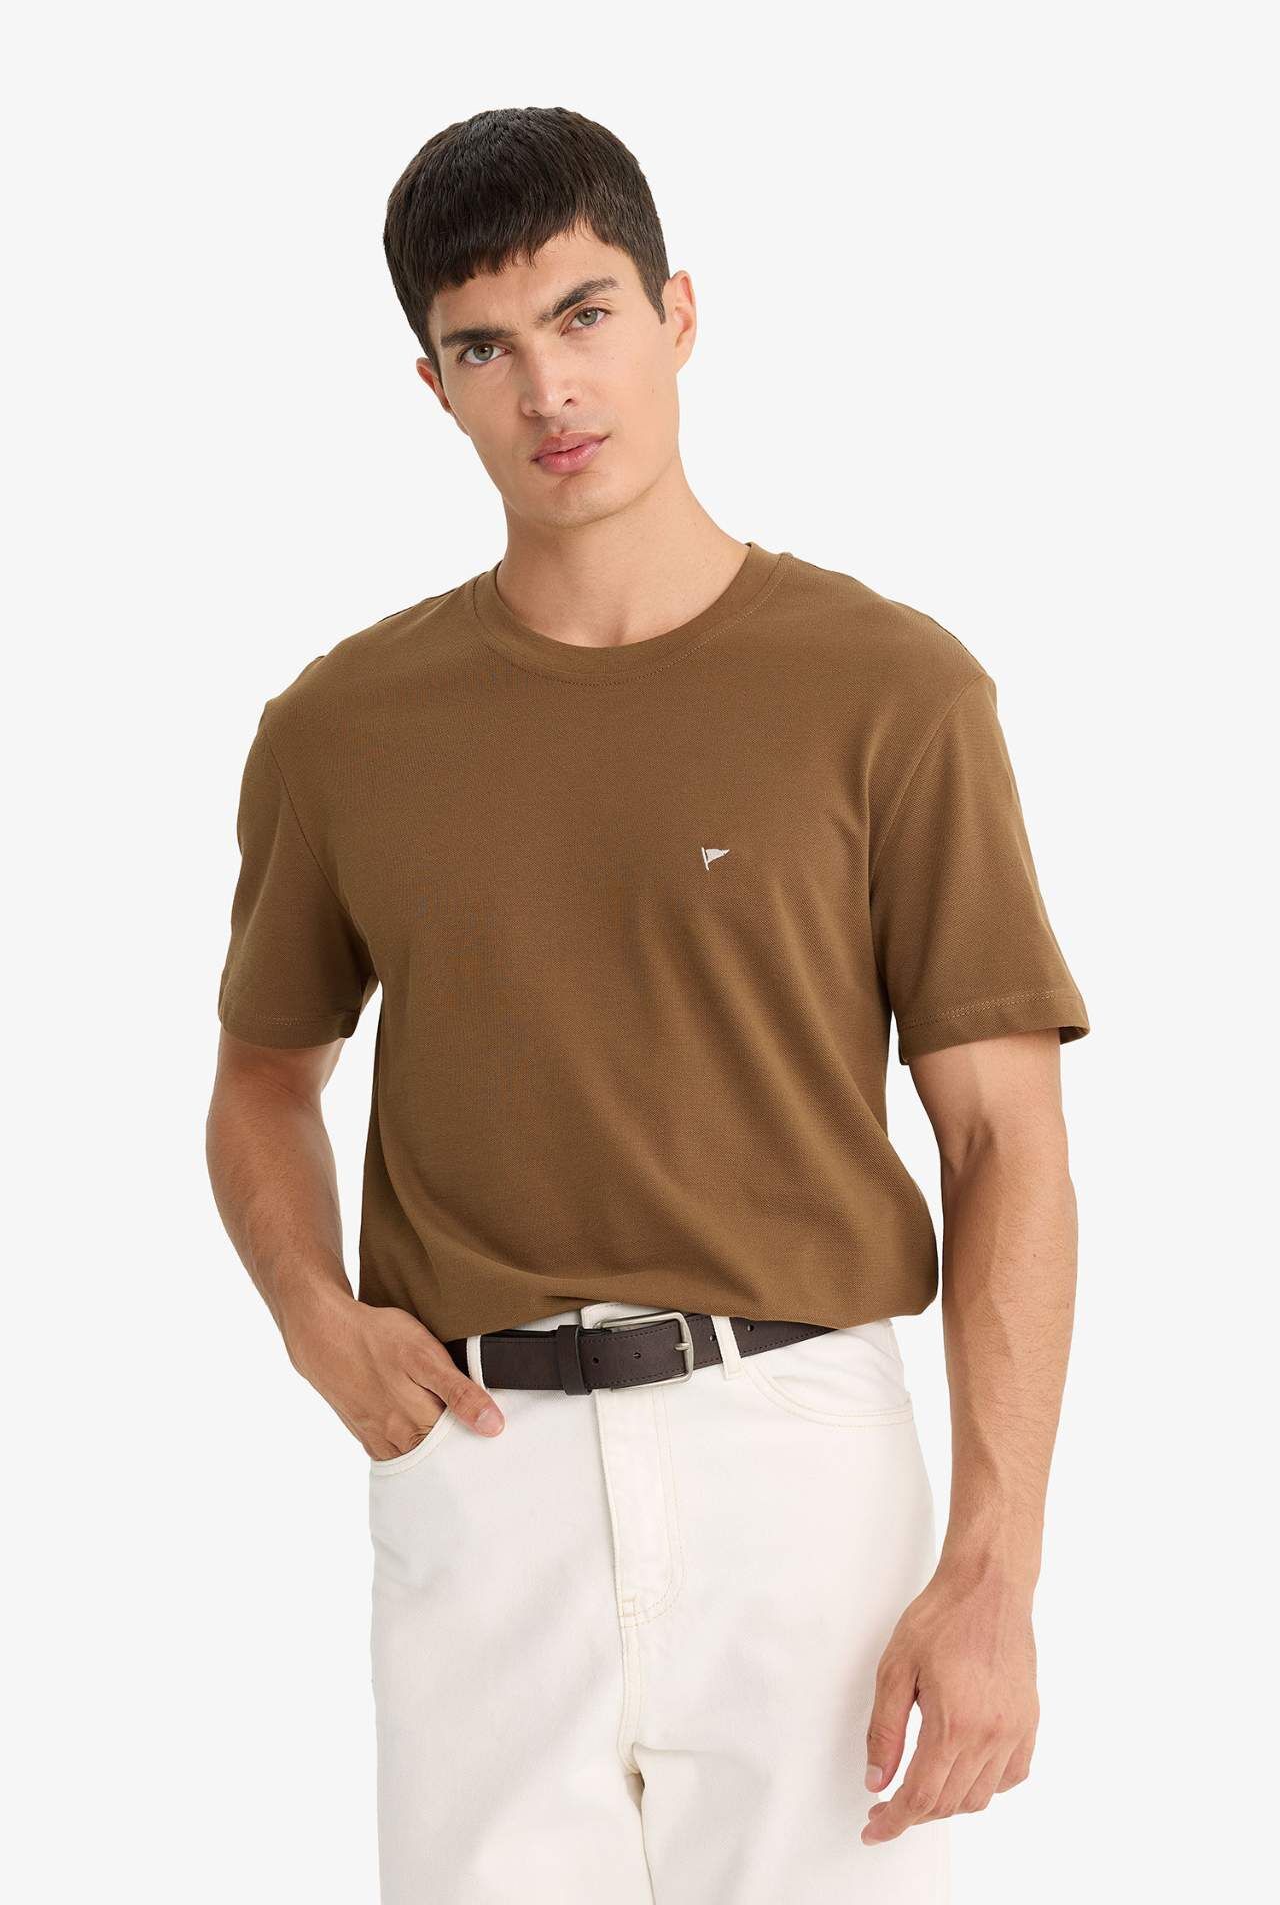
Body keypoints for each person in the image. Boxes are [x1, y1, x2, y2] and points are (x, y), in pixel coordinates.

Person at [206, 105, 1089, 1905]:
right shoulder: (342, 728)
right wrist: (312, 1316)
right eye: (485, 348)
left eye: (585, 314)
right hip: (478, 1465)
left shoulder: (892, 692)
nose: (548, 388)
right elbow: (263, 1077)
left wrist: (995, 1567)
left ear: (679, 315)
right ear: (435, 387)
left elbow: (1007, 1139)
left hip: (801, 1458)